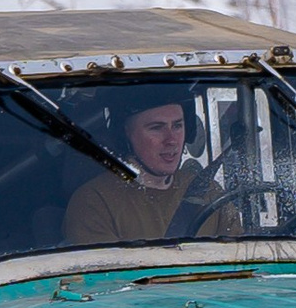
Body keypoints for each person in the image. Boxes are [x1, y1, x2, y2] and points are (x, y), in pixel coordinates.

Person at [63, 88, 221, 245]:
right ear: (125, 134)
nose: (172, 140)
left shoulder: (208, 192)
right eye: (156, 128)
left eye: (177, 126)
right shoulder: (94, 203)